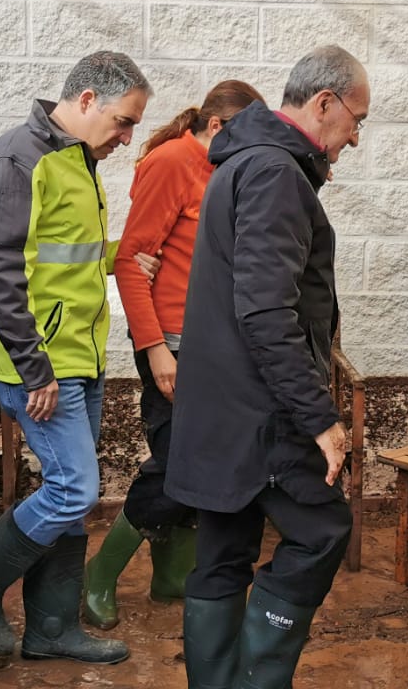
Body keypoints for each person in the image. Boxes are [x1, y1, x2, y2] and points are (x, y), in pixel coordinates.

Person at [164, 45, 369, 689]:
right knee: (324, 530)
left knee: (223, 555)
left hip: (219, 410)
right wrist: (320, 418)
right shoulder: (276, 173)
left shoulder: (242, 163)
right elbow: (263, 312)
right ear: (324, 103)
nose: (356, 138)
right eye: (356, 119)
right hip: (263, 413)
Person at [0, 50, 151, 669]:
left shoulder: (75, 157)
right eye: (124, 122)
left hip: (80, 359)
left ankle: (51, 630)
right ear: (88, 100)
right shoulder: (20, 157)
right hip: (41, 366)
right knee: (73, 491)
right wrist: (33, 365)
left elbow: (62, 255)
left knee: (70, 495)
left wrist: (127, 253)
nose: (127, 138)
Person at [84, 79, 266, 631]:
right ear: (217, 127)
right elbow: (131, 261)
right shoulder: (172, 162)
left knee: (198, 462)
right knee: (174, 466)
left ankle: (170, 577)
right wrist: (156, 349)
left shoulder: (217, 166)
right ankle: (99, 575)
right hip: (174, 344)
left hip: (209, 342)